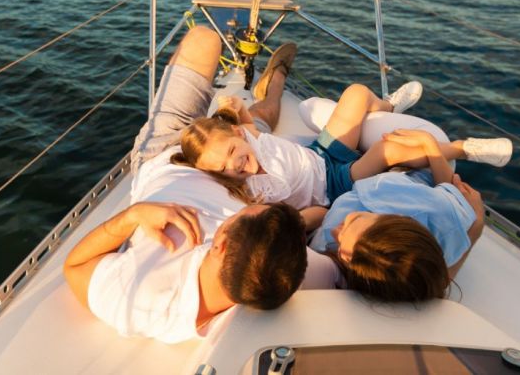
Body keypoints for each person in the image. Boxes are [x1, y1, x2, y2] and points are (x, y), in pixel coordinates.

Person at [63, 27, 338, 344]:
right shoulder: (276, 268)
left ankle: (267, 88)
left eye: (244, 213)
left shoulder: (144, 300)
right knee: (257, 125)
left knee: (203, 39)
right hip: (232, 169)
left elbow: (75, 266)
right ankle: (274, 83)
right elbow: (326, 258)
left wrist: (133, 216)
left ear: (220, 243)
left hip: (165, 155)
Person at [172, 82, 512, 208]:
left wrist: (240, 106)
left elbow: (247, 122)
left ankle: (388, 106)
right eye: (221, 169)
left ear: (237, 137)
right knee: (387, 149)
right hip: (335, 184)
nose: (234, 165)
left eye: (231, 152)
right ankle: (464, 148)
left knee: (356, 92)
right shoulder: (251, 192)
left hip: (321, 153)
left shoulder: (249, 136)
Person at [308, 129, 489, 303]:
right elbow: (449, 193)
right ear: (392, 217)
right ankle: (460, 148)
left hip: (384, 172)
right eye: (354, 220)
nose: (334, 231)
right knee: (407, 140)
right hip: (424, 176)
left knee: (387, 141)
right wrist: (430, 145)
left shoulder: (326, 249)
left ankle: (456, 147)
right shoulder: (438, 221)